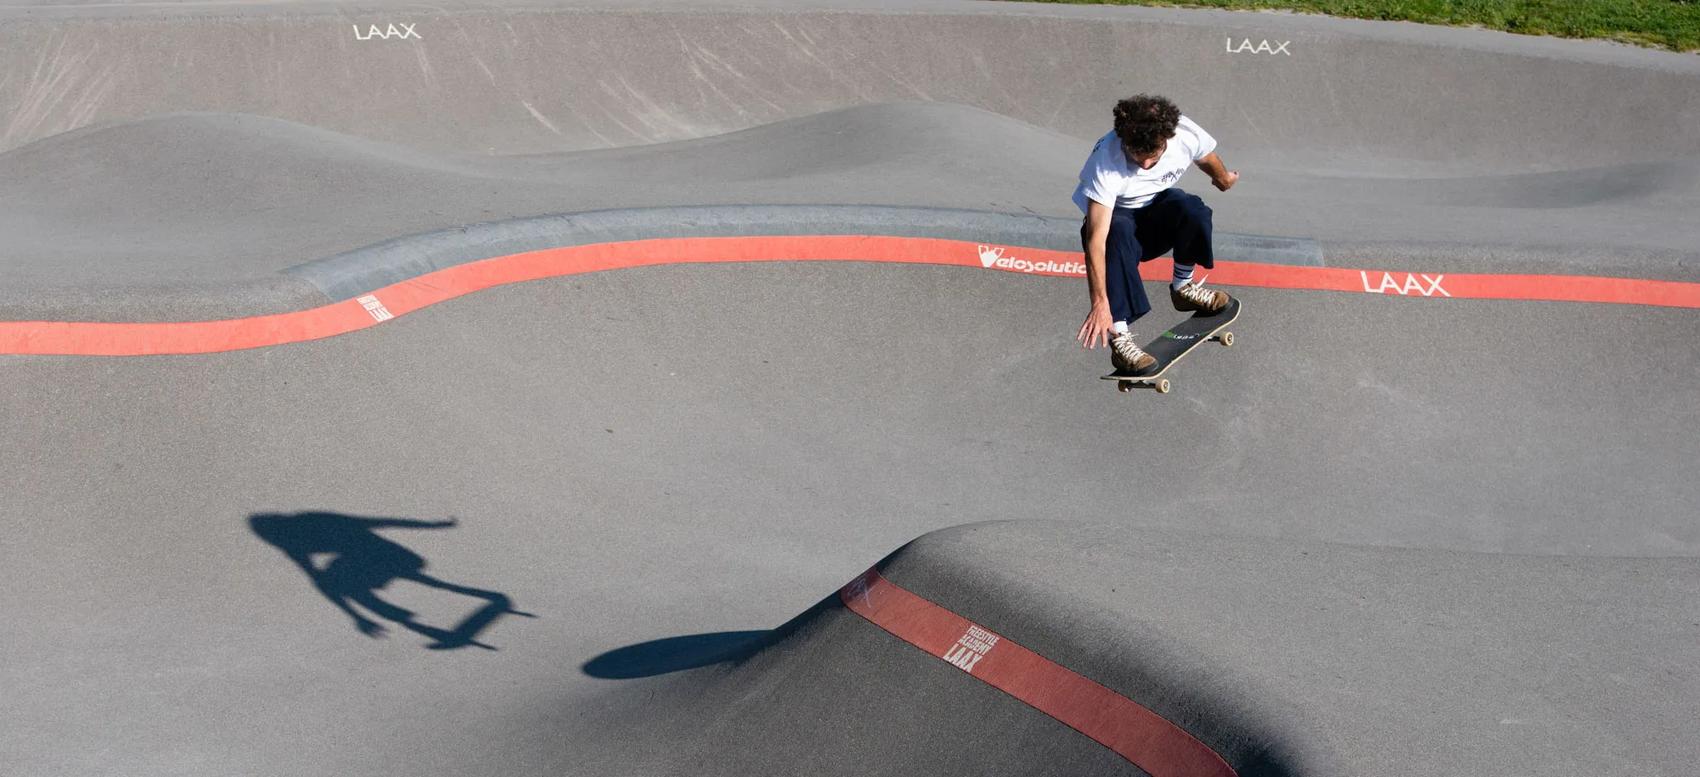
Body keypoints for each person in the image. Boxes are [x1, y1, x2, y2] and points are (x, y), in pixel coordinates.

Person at [1073, 94, 1238, 375]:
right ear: (1124, 141)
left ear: (1166, 139)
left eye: (1153, 157)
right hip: (1117, 235)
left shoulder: (1184, 133)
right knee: (1118, 228)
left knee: (1192, 209)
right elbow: (1096, 241)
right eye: (1138, 159)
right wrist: (1100, 303)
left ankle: (1183, 288)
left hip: (1155, 220)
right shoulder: (1105, 162)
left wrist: (1223, 179)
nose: (1146, 165)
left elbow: (1207, 158)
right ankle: (1120, 336)